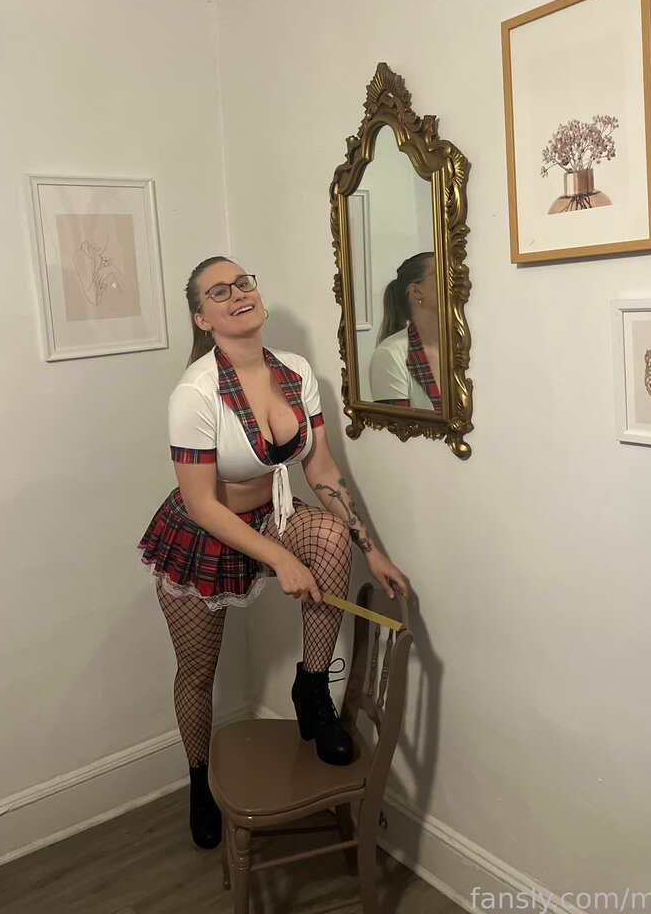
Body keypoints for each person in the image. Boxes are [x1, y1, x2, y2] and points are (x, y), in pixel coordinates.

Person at [138, 255, 408, 850]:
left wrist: (371, 549)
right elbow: (203, 504)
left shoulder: (295, 371)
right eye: (219, 292)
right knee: (197, 671)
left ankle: (311, 693)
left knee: (330, 537)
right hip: (203, 534)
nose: (238, 294)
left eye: (244, 283)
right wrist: (283, 559)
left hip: (272, 514)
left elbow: (321, 468)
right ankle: (198, 780)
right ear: (202, 318)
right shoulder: (195, 392)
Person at [369, 251, 442, 411]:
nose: (453, 280)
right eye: (442, 272)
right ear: (416, 291)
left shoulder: (462, 345)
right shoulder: (390, 355)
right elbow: (395, 424)